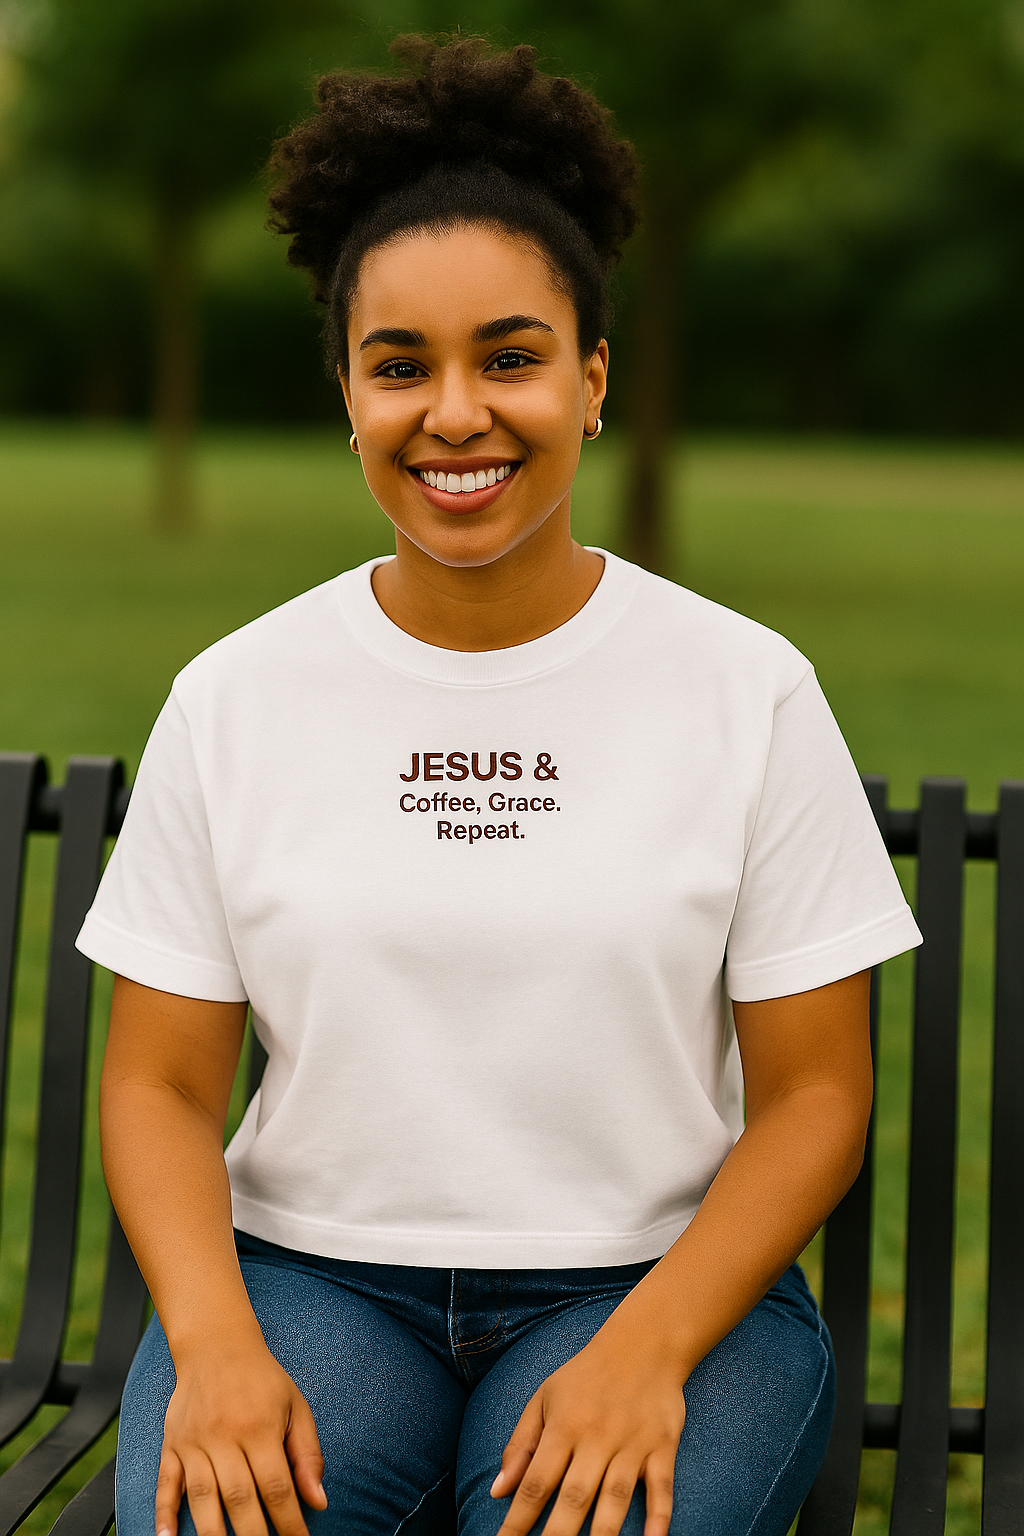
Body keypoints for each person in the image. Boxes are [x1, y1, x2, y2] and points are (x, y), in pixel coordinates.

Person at [78, 35, 923, 1536]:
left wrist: (645, 1355)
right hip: (307, 1284)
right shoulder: (237, 696)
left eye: (511, 358)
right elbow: (158, 1082)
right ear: (348, 393)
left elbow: (815, 1095)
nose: (455, 413)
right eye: (401, 366)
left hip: (659, 1288)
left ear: (592, 380)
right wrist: (212, 1347)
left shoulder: (746, 688)